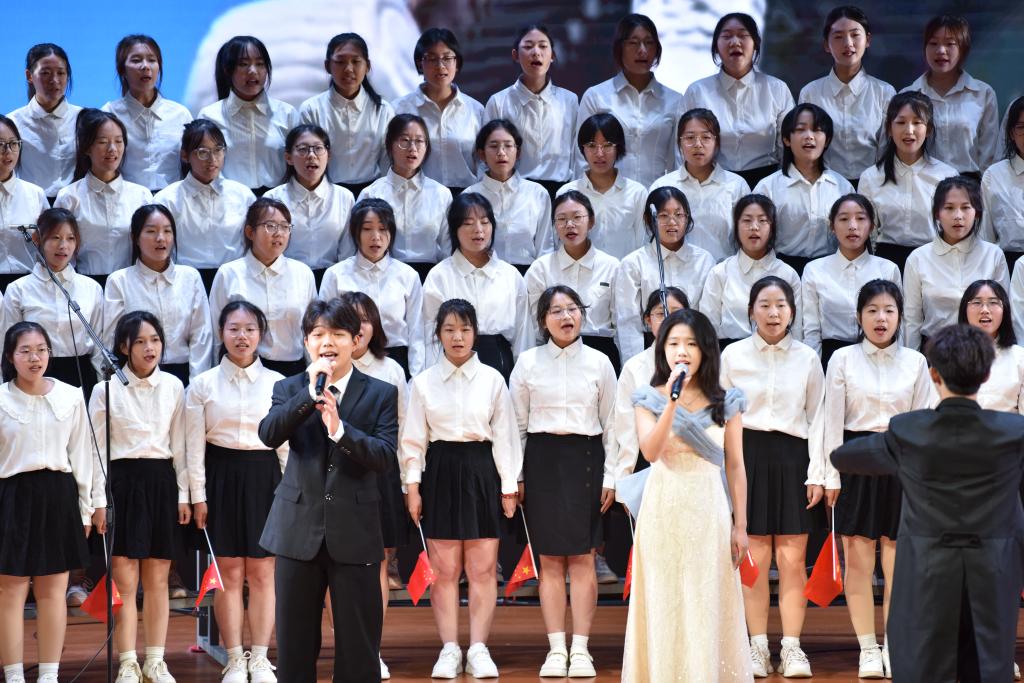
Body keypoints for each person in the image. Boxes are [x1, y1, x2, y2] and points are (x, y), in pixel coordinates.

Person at [831, 323, 1024, 683]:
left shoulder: (909, 430)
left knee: (924, 666)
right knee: (988, 666)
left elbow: (844, 457)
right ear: (986, 374)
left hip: (927, 568)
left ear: (934, 374)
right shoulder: (1014, 432)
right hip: (994, 568)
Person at [257, 297, 399, 682]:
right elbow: (268, 434)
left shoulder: (381, 392)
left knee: (359, 650)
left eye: (337, 333)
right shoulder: (289, 388)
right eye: (318, 334)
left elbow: (385, 457)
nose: (328, 342)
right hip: (297, 530)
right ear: (307, 342)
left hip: (355, 529)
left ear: (356, 340)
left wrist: (340, 431)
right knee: (295, 649)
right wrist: (308, 395)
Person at [621, 308, 751, 681]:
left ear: (706, 349)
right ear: (662, 349)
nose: (682, 351)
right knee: (664, 600)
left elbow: (736, 465)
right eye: (674, 343)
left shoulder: (727, 402)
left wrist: (740, 525)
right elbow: (651, 451)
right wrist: (671, 402)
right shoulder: (647, 398)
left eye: (691, 344)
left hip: (708, 508)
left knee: (705, 599)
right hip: (663, 508)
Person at [822, 279, 936, 678]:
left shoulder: (916, 362)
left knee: (897, 566)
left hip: (902, 465)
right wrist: (830, 476)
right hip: (856, 462)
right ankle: (868, 649)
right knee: (857, 562)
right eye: (872, 311)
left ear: (901, 316)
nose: (881, 318)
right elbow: (831, 421)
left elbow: (924, 421)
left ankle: (893, 646)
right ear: (859, 317)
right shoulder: (842, 359)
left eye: (889, 310)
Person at [401, 298, 519, 679]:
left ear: (475, 334)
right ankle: (450, 649)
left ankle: (479, 649)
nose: (458, 337)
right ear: (438, 334)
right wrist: (412, 487)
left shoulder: (493, 380)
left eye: (465, 329)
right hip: (440, 471)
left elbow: (505, 436)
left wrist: (508, 484)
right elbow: (413, 441)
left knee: (483, 569)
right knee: (445, 569)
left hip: (482, 470)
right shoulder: (422, 382)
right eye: (449, 329)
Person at [720, 276, 825, 678]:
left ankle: (793, 647)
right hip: (747, 457)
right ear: (751, 311)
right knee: (755, 558)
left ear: (792, 312)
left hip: (794, 458)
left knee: (793, 561)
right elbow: (721, 419)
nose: (773, 312)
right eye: (764, 305)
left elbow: (818, 418)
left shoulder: (808, 358)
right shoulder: (732, 356)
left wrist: (818, 472)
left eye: (781, 304)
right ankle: (758, 647)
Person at [510, 285, 616, 678]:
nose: (566, 317)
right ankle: (556, 648)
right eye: (556, 311)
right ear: (543, 320)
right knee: (550, 560)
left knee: (584, 557)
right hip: (542, 461)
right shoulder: (527, 362)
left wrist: (612, 475)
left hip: (586, 460)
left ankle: (582, 649)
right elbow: (516, 426)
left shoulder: (600, 362)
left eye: (572, 308)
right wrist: (517, 475)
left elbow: (613, 425)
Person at [186, 300, 285, 683]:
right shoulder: (203, 384)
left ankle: (259, 657)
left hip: (265, 477)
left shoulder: (278, 383)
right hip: (221, 476)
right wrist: (198, 495)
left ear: (261, 334)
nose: (242, 336)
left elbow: (286, 446)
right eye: (233, 328)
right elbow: (193, 446)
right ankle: (233, 659)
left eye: (250, 329)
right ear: (221, 333)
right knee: (228, 571)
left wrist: (289, 493)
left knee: (262, 571)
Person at [90, 311, 188, 683]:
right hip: (122, 485)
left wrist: (184, 495)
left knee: (159, 580)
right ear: (123, 347)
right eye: (141, 341)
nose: (150, 348)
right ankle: (128, 662)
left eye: (156, 340)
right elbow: (96, 449)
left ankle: (156, 661)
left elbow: (179, 445)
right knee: (126, 581)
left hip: (161, 482)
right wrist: (98, 500)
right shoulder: (106, 390)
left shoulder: (174, 386)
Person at [0, 322, 92, 683]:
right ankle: (14, 676)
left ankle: (49, 676)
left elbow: (82, 455)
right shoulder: (1, 398)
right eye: (25, 351)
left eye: (41, 349)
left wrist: (88, 508)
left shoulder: (71, 396)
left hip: (58, 496)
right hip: (12, 497)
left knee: (53, 591)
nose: (34, 357)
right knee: (10, 592)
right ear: (11, 357)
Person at [336, 290, 408, 679]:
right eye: (351, 319)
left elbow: (404, 429)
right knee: (334, 565)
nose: (359, 326)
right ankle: (344, 648)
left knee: (375, 564)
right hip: (334, 477)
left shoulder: (390, 370)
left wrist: (408, 482)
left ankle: (371, 649)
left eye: (365, 319)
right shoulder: (325, 367)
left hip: (378, 476)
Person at [422, 192, 530, 381]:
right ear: (454, 229)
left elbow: (523, 334)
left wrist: (524, 380)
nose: (478, 230)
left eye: (485, 222)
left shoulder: (510, 275)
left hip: (500, 361)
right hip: (452, 363)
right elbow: (430, 335)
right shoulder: (439, 276)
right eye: (468, 223)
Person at [681, 12, 795, 187]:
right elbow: (682, 147)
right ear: (716, 46)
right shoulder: (697, 91)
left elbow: (788, 146)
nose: (735, 42)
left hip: (767, 183)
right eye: (727, 36)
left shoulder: (777, 89)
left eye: (743, 35)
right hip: (712, 184)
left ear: (756, 44)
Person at [103, 204, 213, 386]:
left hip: (184, 374)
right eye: (151, 231)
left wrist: (196, 386)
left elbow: (201, 336)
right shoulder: (119, 281)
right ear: (135, 238)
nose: (161, 238)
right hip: (136, 377)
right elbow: (112, 339)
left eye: (167, 231)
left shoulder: (190, 277)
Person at [209, 198, 316, 378]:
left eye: (285, 227)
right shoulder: (228, 274)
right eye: (270, 226)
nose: (279, 233)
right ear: (250, 232)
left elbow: (312, 331)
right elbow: (215, 333)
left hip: (293, 370)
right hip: (243, 370)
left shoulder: (302, 273)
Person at [320, 198, 424, 378]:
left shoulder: (408, 275)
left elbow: (417, 332)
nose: (376, 236)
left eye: (383, 229)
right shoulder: (335, 274)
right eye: (367, 229)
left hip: (395, 359)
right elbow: (323, 327)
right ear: (355, 232)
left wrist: (416, 377)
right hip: (348, 361)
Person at [0, 208, 104, 388]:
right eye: (55, 237)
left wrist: (102, 386)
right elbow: (6, 343)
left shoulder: (91, 288)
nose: (63, 246)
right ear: (37, 239)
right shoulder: (18, 289)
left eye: (70, 238)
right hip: (34, 373)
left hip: (81, 374)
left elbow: (100, 343)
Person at [903, 176, 1008, 351]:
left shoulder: (993, 255)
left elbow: (1003, 312)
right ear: (937, 213)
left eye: (966, 208)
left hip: (983, 351)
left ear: (977, 212)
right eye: (949, 208)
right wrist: (913, 360)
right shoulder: (918, 258)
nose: (958, 216)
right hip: (935, 351)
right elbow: (911, 319)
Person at [576, 14, 682, 187]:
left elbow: (678, 161)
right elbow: (582, 159)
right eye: (633, 43)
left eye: (649, 43)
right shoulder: (596, 96)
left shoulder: (675, 101)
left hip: (658, 197)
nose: (642, 50)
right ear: (620, 48)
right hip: (607, 196)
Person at [153, 119, 257, 290]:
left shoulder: (243, 195)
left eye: (218, 150)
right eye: (203, 152)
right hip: (183, 282)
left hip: (235, 280)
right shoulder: (166, 199)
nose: (212, 159)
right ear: (185, 155)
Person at [858, 92, 957, 271]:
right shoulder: (871, 177)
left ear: (929, 129)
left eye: (917, 122)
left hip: (934, 262)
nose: (909, 130)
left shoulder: (947, 176)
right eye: (901, 122)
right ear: (889, 128)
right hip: (885, 262)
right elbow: (866, 233)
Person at [53, 108, 153, 282]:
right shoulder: (69, 197)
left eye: (119, 141)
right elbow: (57, 251)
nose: (112, 149)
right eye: (103, 142)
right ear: (87, 147)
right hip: (82, 285)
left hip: (131, 284)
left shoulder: (142, 196)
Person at [798, 6, 896, 184]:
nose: (848, 43)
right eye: (838, 37)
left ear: (868, 40)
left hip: (873, 185)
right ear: (826, 45)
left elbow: (888, 150)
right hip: (824, 185)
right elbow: (805, 149)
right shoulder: (810, 93)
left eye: (855, 35)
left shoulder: (884, 92)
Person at [614, 186, 714, 360]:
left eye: (679, 214)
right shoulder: (633, 263)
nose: (672, 222)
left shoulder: (704, 261)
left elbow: (708, 316)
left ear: (687, 218)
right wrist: (636, 365)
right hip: (649, 349)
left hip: (693, 347)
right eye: (663, 215)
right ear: (649, 219)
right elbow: (628, 322)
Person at [753, 103, 854, 274]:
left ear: (827, 140)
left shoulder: (843, 187)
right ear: (786, 139)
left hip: (831, 272)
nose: (809, 136)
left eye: (817, 130)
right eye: (800, 130)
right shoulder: (767, 188)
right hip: (780, 271)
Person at [524, 191, 621, 371]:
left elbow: (621, 322)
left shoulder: (612, 266)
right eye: (561, 219)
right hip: (553, 352)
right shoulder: (540, 269)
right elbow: (535, 325)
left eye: (577, 217)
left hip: (601, 351)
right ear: (554, 225)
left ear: (591, 221)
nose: (569, 225)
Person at [802, 194, 902, 366]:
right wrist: (813, 369)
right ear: (832, 226)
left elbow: (898, 325)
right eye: (844, 219)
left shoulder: (888, 269)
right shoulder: (814, 270)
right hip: (830, 358)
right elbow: (811, 330)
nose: (853, 226)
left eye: (861, 218)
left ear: (871, 226)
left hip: (878, 356)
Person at [197, 36, 300, 194]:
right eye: (243, 64)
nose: (253, 71)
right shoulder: (209, 116)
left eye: (260, 64)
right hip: (229, 201)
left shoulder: (287, 113)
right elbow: (204, 167)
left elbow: (298, 165)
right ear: (227, 70)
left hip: (278, 202)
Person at [357, 113, 453, 281]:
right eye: (405, 140)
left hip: (431, 277)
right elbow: (359, 244)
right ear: (390, 145)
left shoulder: (441, 194)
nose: (412, 148)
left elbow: (447, 247)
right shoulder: (371, 193)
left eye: (419, 141)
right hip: (384, 277)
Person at [485, 25, 578, 194]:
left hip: (561, 193)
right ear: (515, 55)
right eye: (528, 46)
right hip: (514, 192)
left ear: (553, 55)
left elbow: (577, 152)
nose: (536, 52)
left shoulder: (569, 100)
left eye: (543, 46)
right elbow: (487, 156)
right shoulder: (498, 102)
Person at [901, 15, 999, 175]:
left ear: (963, 48)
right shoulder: (907, 96)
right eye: (933, 43)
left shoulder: (983, 94)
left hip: (970, 183)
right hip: (922, 183)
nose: (941, 51)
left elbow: (989, 155)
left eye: (950, 44)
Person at [298, 33, 395, 195]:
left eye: (356, 61)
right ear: (327, 66)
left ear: (367, 66)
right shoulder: (311, 109)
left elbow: (388, 160)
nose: (348, 69)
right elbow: (306, 159)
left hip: (373, 192)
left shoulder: (383, 110)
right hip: (326, 193)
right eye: (340, 62)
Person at [648, 108, 750, 262]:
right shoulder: (662, 186)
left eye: (706, 137)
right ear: (679, 143)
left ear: (717, 143)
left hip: (723, 272)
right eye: (690, 137)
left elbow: (746, 239)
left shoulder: (736, 186)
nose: (698, 144)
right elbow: (651, 237)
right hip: (674, 272)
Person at [699, 193, 801, 346]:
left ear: (772, 227)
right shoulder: (720, 272)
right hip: (730, 354)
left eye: (762, 220)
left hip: (778, 352)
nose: (754, 227)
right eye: (747, 220)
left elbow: (797, 329)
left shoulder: (788, 274)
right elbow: (707, 328)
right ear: (736, 226)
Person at [392, 28, 484, 192]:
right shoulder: (399, 109)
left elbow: (483, 161)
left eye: (447, 58)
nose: (440, 66)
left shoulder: (476, 110)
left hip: (466, 197)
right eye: (432, 59)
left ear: (457, 63)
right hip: (416, 195)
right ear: (420, 63)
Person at [612, 286, 688, 484]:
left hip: (690, 462)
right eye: (661, 314)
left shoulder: (701, 362)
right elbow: (625, 428)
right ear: (648, 319)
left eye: (676, 313)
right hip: (646, 464)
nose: (669, 319)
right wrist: (624, 477)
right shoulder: (633, 367)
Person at [101, 35, 193, 193]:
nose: (145, 66)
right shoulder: (109, 114)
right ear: (122, 70)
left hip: (172, 201)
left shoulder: (180, 114)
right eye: (136, 60)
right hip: (127, 201)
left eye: (152, 60)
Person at [264, 124, 356, 279]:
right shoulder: (273, 198)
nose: (311, 155)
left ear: (328, 155)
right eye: (303, 149)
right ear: (288, 157)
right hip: (286, 278)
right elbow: (269, 248)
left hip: (333, 278)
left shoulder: (344, 197)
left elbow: (348, 252)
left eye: (318, 148)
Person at [463, 119, 554, 273]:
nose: (501, 152)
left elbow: (545, 247)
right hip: (484, 274)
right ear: (482, 154)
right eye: (494, 146)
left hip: (530, 275)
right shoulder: (469, 196)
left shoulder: (538, 193)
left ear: (518, 152)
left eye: (508, 146)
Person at [557, 113, 647, 260]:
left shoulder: (637, 193)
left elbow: (643, 245)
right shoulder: (568, 193)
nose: (599, 154)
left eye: (607, 145)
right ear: (582, 149)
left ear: (618, 148)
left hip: (626, 272)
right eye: (592, 146)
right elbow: (561, 244)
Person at [6, 43, 81, 199]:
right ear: (29, 76)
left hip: (76, 206)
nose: (54, 80)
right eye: (45, 73)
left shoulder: (83, 118)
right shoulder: (13, 122)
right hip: (31, 204)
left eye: (61, 73)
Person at [959, 280, 1024, 414]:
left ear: (1005, 309)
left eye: (993, 303)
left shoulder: (1020, 357)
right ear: (964, 309)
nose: (985, 310)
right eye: (977, 303)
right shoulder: (948, 355)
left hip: (1009, 427)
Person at [0, 114, 49, 291]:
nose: (8, 151)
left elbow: (48, 244)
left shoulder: (35, 194)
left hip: (29, 285)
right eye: (0, 144)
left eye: (13, 143)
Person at [980, 96, 1024, 270]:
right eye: (1022, 127)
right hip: (1006, 264)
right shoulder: (994, 175)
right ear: (1011, 133)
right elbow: (985, 235)